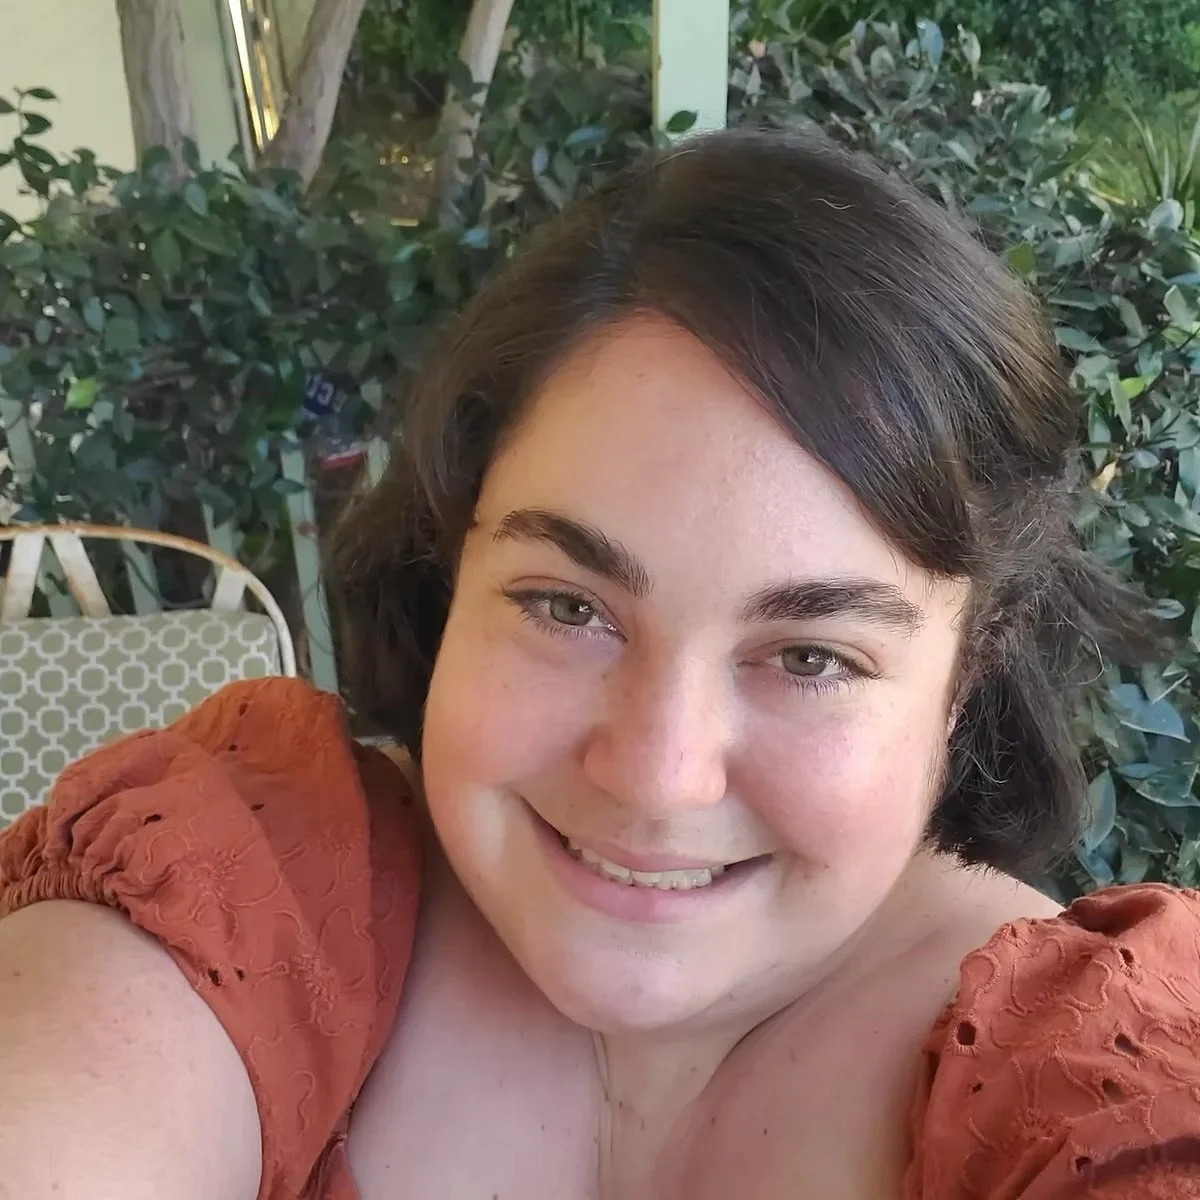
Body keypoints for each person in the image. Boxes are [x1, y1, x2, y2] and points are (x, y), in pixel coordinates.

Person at [0, 128, 1195, 1200]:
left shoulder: (1105, 1077)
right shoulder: (250, 878)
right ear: (449, 565)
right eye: (568, 604)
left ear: (966, 677)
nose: (657, 775)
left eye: (814, 656)